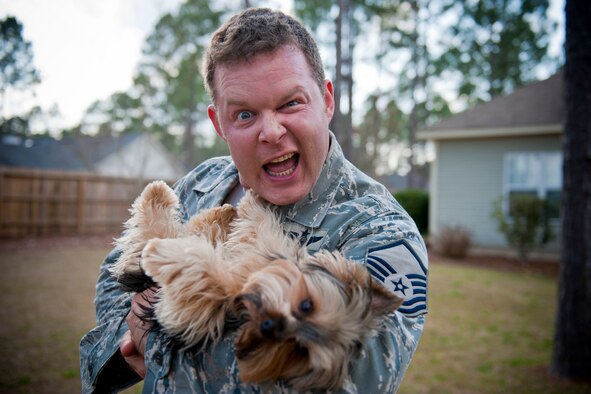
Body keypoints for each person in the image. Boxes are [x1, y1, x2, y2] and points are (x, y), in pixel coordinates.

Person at [80, 7, 428, 393]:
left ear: (326, 101)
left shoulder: (383, 233)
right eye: (245, 114)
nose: (272, 131)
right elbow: (117, 271)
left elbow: (344, 381)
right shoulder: (203, 181)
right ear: (220, 124)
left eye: (290, 103)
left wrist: (154, 341)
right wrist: (129, 341)